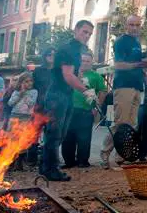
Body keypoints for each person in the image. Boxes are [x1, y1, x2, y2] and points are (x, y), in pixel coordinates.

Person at [41, 20, 96, 181]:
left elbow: (73, 73)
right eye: (84, 32)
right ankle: (50, 169)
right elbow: (67, 76)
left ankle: (47, 166)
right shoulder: (68, 49)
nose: (87, 36)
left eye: (90, 34)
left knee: (60, 133)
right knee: (55, 133)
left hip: (65, 95)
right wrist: (86, 91)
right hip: (57, 95)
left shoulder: (77, 50)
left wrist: (81, 80)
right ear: (76, 30)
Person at [100, 15, 147, 169]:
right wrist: (139, 64)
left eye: (137, 25)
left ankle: (121, 156)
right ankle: (104, 154)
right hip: (123, 86)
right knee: (121, 123)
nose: (134, 28)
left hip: (136, 86)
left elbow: (138, 65)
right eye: (132, 25)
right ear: (126, 25)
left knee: (131, 125)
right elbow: (119, 65)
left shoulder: (137, 43)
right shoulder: (121, 41)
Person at [62, 51, 107, 169]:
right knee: (68, 136)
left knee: (84, 137)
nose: (85, 63)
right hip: (69, 109)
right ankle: (68, 161)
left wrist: (97, 107)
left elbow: (102, 91)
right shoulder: (71, 73)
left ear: (92, 62)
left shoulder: (96, 76)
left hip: (86, 110)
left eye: (88, 61)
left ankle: (83, 161)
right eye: (83, 60)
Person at [8, 72, 38, 171]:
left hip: (26, 117)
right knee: (13, 139)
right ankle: (10, 162)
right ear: (21, 82)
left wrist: (25, 94)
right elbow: (10, 103)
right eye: (26, 81)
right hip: (15, 117)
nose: (29, 83)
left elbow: (31, 104)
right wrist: (19, 94)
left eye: (31, 81)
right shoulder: (16, 92)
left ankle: (20, 163)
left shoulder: (34, 92)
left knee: (23, 140)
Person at [33, 48, 55, 113]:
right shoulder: (37, 71)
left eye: (54, 55)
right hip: (40, 104)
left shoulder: (60, 71)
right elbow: (33, 87)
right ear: (45, 56)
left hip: (56, 105)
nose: (52, 57)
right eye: (49, 55)